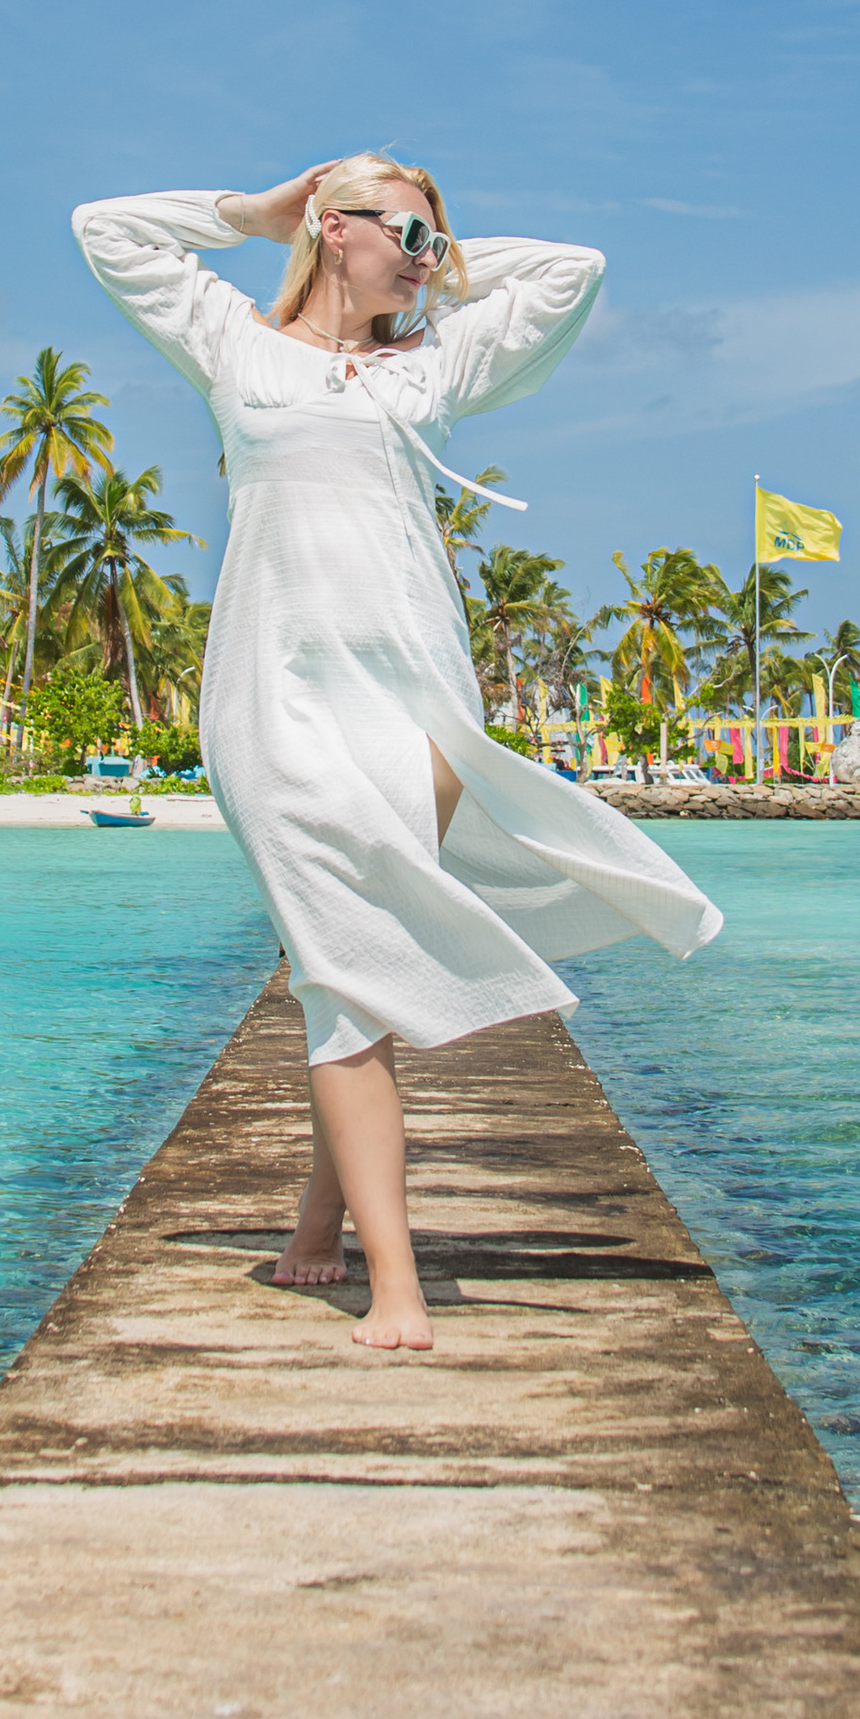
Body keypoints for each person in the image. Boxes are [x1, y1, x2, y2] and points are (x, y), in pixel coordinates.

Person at [73, 157, 723, 1351]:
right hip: (271, 699)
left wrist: (437, 249)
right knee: (339, 966)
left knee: (348, 975)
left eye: (438, 237)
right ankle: (399, 1285)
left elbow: (574, 271)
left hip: (413, 700)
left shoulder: (438, 364)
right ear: (332, 227)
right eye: (406, 231)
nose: (426, 255)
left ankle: (315, 1237)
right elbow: (106, 229)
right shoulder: (233, 345)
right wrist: (257, 215)